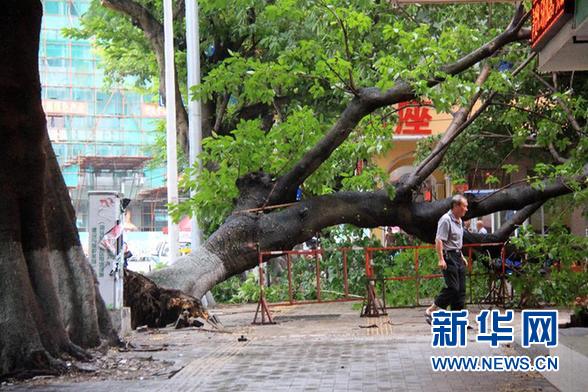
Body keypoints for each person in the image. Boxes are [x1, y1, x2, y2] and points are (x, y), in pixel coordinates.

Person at [425, 194, 469, 324]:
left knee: (461, 291)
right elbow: (439, 240)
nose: (466, 209)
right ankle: (433, 309)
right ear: (456, 206)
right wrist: (441, 258)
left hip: (457, 256)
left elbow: (455, 241)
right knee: (453, 288)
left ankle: (458, 320)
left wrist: (461, 256)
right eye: (464, 206)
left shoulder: (459, 221)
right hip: (448, 256)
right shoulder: (445, 220)